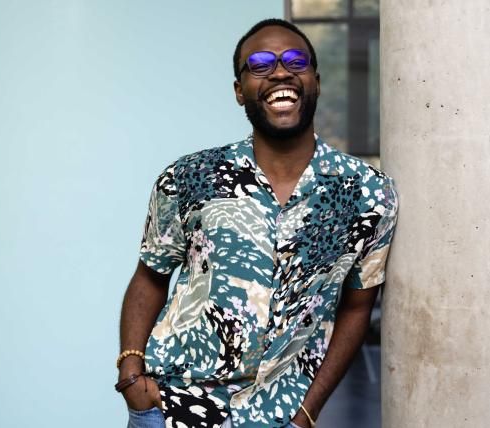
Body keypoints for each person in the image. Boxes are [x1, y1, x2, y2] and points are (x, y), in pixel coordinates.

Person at [117, 18, 398, 428]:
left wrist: (308, 412)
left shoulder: (368, 194)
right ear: (238, 91)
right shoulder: (189, 177)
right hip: (172, 409)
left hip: (281, 416)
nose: (280, 72)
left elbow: (358, 308)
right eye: (260, 64)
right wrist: (131, 373)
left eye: (295, 61)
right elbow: (150, 277)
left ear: (316, 82)